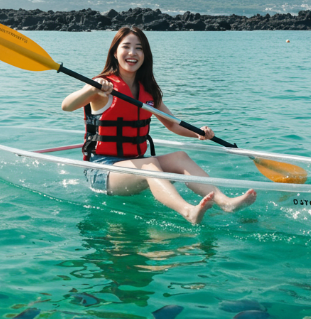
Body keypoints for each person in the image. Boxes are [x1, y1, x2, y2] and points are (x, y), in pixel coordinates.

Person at [61, 26, 256, 224]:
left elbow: (174, 125)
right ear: (115, 52)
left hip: (137, 163)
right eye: (126, 47)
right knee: (150, 165)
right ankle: (188, 211)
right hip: (103, 170)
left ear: (145, 55)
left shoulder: (149, 91)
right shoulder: (100, 86)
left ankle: (225, 202)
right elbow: (66, 106)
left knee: (180, 157)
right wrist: (92, 89)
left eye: (139, 48)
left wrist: (198, 134)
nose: (132, 53)